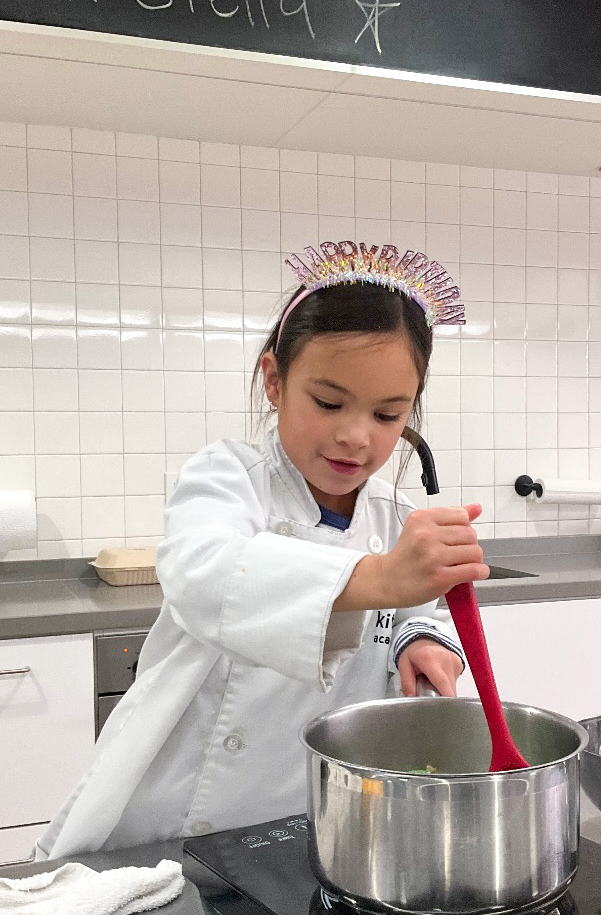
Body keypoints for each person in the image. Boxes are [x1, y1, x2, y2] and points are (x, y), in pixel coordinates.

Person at [35, 240, 489, 860]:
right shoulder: (228, 478)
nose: (356, 436)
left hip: (319, 808)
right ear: (275, 381)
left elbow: (414, 613)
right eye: (328, 403)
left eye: (388, 415)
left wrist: (425, 639)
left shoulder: (394, 514)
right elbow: (204, 575)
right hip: (183, 810)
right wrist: (377, 578)